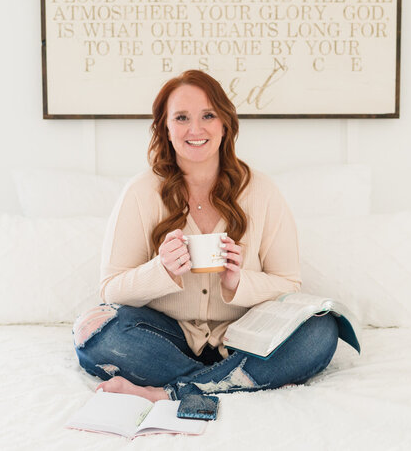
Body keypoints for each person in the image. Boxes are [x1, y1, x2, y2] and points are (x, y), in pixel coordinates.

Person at [73, 69, 339, 402]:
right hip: (167, 339)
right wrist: (161, 271)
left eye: (208, 116)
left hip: (246, 337)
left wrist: (238, 282)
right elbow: (111, 289)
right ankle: (241, 380)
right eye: (181, 117)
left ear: (225, 124)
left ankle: (166, 392)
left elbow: (289, 284)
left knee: (321, 329)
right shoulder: (141, 192)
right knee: (94, 331)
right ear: (165, 127)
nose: (195, 129)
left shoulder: (262, 191)